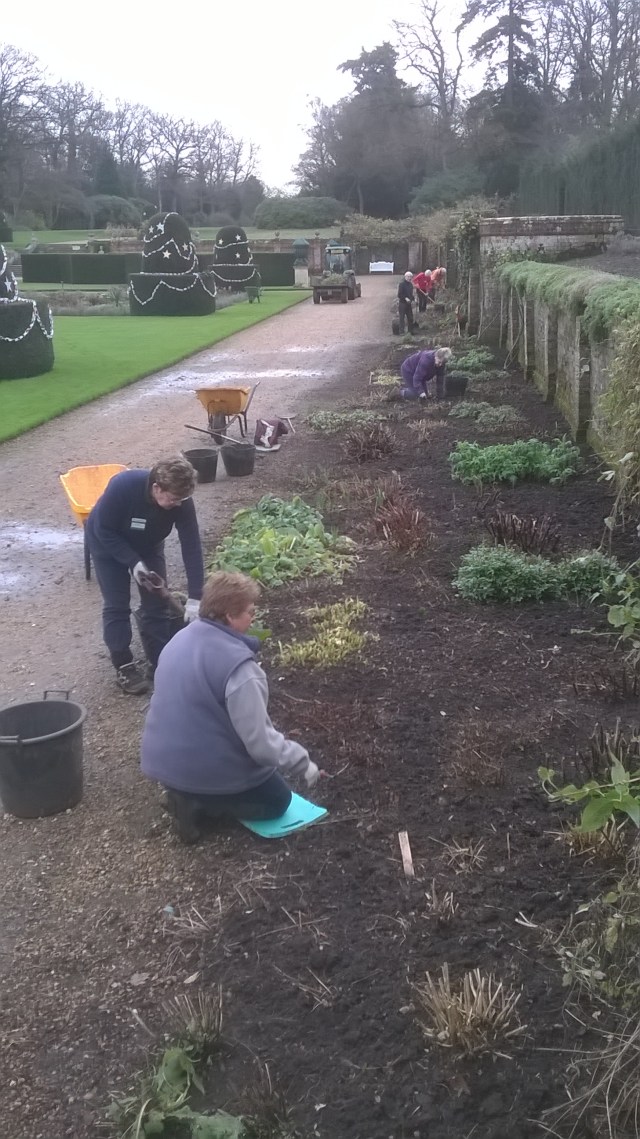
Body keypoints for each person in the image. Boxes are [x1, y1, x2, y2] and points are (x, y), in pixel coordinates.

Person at [140, 571, 322, 843]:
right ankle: (202, 804)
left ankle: (182, 793)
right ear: (229, 616)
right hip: (201, 769)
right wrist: (302, 763)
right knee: (277, 801)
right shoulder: (240, 670)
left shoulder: (178, 640)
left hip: (162, 764)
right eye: (249, 612)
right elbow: (260, 744)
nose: (254, 617)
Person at [85, 456, 204, 695]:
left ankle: (159, 662)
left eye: (181, 499)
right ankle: (124, 665)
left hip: (148, 545)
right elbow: (102, 529)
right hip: (108, 544)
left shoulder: (181, 501)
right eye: (172, 499)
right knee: (117, 604)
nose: (177, 504)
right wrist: (132, 562)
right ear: (156, 488)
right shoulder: (124, 486)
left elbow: (191, 546)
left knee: (157, 604)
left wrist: (195, 597)